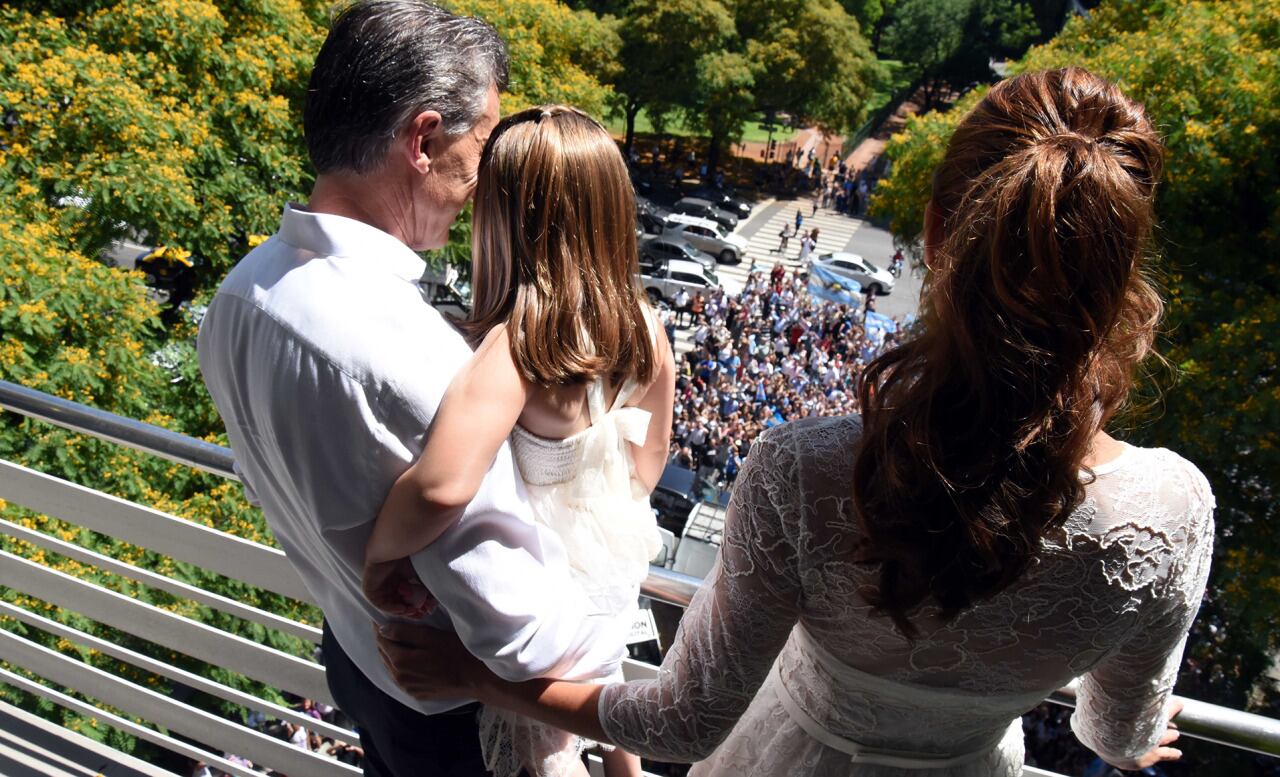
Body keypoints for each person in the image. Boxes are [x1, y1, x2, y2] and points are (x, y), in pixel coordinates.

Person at [375, 68, 1216, 777]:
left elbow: (685, 721)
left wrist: (480, 678)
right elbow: (1113, 732)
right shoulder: (1173, 511)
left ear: (933, 234)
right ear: (1121, 277)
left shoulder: (807, 470)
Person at [197, 4, 627, 776]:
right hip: (451, 725)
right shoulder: (418, 364)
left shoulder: (239, 293)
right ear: (423, 140)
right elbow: (518, 633)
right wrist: (627, 651)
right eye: (485, 142)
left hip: (359, 667)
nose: (488, 175)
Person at [363, 106, 673, 777]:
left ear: (504, 219)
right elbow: (647, 464)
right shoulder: (646, 327)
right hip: (610, 567)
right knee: (607, 696)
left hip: (538, 591)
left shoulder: (515, 345)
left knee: (539, 754)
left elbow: (443, 483)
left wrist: (380, 556)